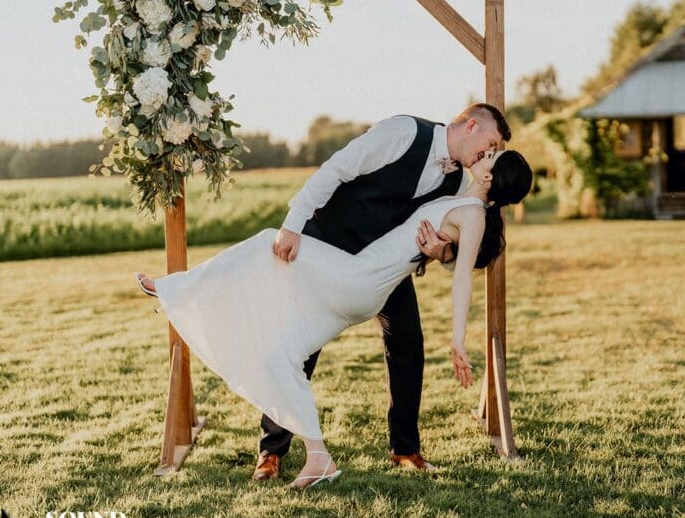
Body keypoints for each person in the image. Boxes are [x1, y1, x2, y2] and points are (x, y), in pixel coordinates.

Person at [134, 147, 532, 488]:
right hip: (358, 281)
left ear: (492, 174)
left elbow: (463, 278)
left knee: (266, 245)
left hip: (358, 279)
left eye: (492, 155)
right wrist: (440, 248)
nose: (485, 154)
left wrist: (458, 340)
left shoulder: (475, 215)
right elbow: (447, 244)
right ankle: (317, 457)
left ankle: (173, 288)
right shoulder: (464, 196)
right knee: (282, 355)